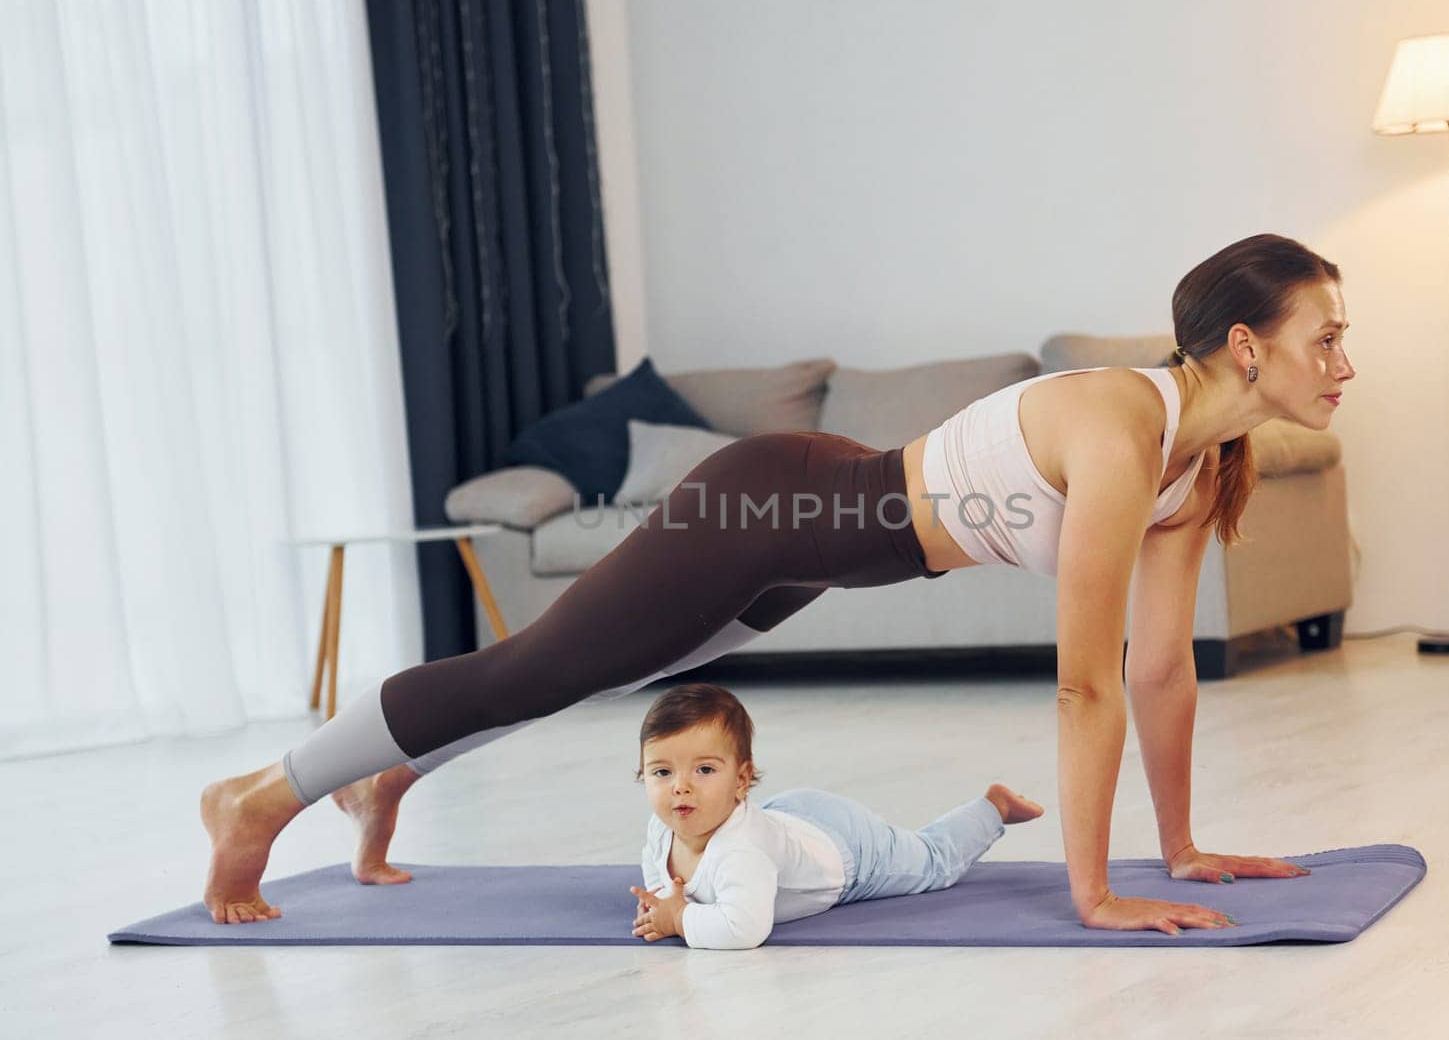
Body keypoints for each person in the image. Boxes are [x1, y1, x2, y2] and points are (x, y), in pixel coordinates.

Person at [200, 232, 1350, 933]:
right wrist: (1097, 895)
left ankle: (386, 769)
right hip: (771, 505)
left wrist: (1185, 844)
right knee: (535, 665)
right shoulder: (1115, 422)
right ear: (1245, 342)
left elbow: (1156, 669)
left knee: (577, 672)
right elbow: (1083, 684)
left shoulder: (1194, 471)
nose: (1343, 364)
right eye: (1324, 338)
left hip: (813, 556)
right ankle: (262, 793)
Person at [626, 682, 1069, 949]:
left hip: (848, 850)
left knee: (932, 861)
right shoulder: (662, 827)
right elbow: (660, 883)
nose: (680, 786)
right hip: (786, 819)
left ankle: (993, 806)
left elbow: (743, 929)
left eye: (704, 770)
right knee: (770, 837)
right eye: (662, 772)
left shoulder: (741, 850)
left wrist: (678, 919)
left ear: (741, 781)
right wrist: (665, 903)